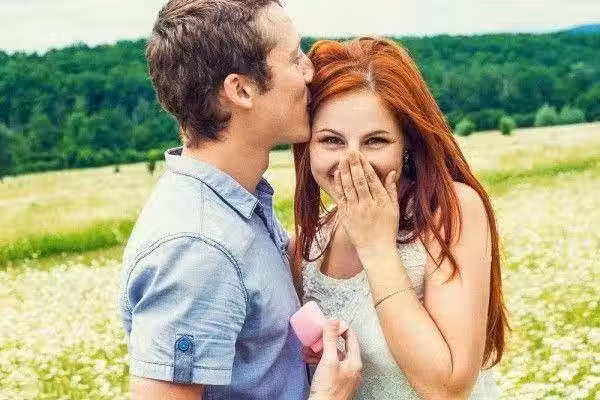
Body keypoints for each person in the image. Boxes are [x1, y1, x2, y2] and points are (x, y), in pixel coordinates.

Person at [117, 1, 362, 399]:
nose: (309, 71)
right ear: (241, 90)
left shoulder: (236, 205)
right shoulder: (198, 248)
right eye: (294, 57)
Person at [292, 37, 510, 399]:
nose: (352, 160)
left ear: (406, 144)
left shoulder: (450, 212)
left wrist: (376, 248)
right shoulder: (308, 243)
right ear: (308, 146)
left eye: (375, 141)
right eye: (332, 140)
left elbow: (448, 389)